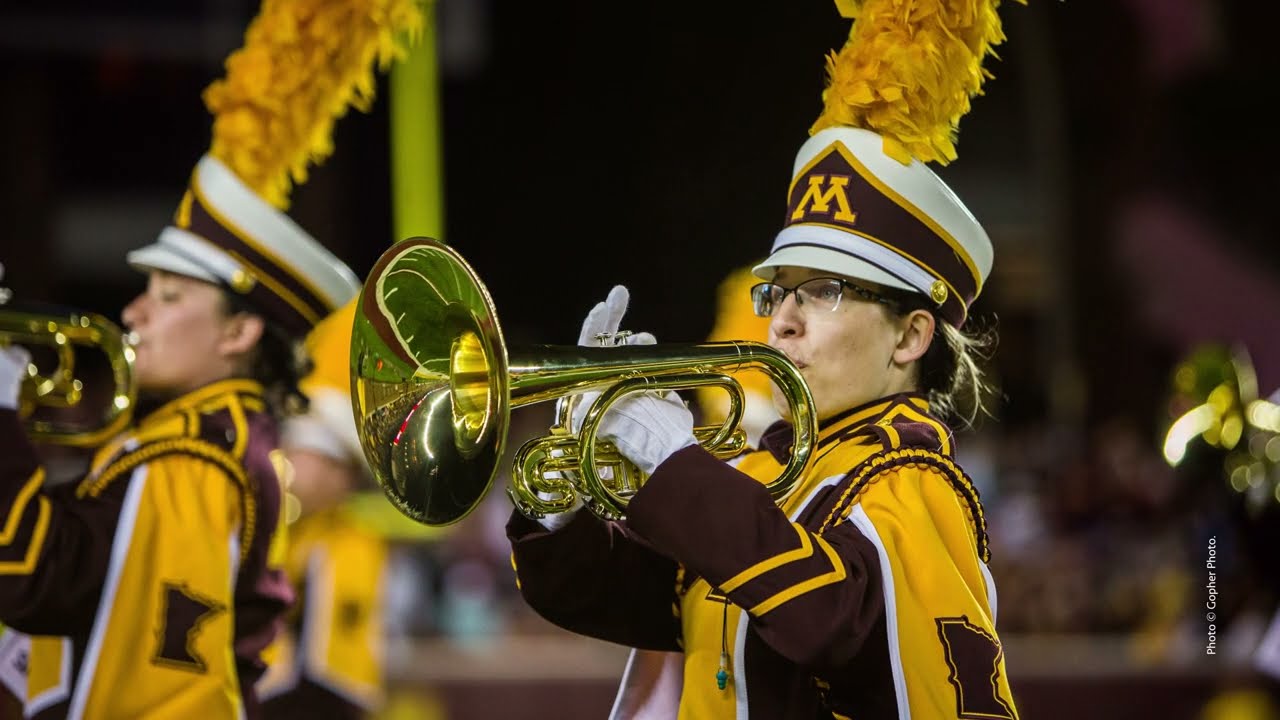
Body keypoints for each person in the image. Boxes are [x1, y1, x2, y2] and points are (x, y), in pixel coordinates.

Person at [506, 1, 1022, 717]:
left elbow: (826, 618)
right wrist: (562, 492)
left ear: (910, 338)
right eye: (778, 292)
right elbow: (614, 598)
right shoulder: (763, 481)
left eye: (825, 292)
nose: (780, 320)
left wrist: (675, 465)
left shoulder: (914, 483)